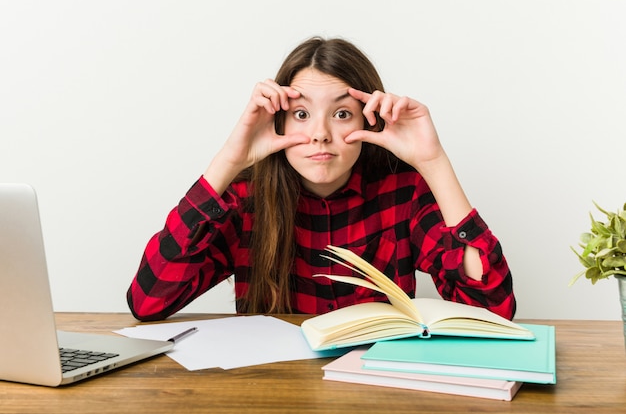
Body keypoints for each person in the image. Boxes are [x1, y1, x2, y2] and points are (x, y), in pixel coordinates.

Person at [127, 37, 516, 321]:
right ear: (277, 120)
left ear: (370, 119)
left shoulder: (404, 191)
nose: (320, 134)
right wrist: (229, 161)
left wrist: (434, 162)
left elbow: (492, 310)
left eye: (342, 114)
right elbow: (149, 301)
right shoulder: (244, 197)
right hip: (272, 390)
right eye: (301, 114)